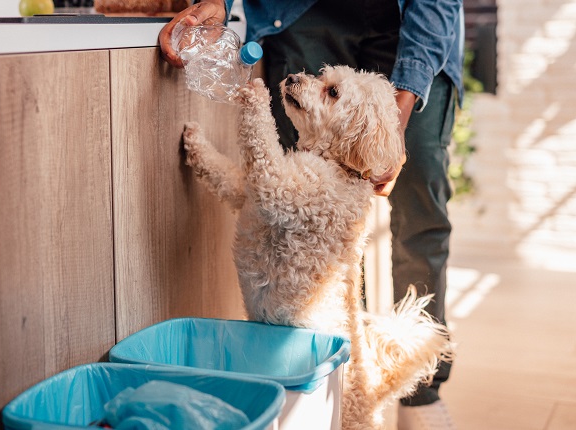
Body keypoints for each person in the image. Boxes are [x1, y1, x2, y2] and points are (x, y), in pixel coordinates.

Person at [160, 1, 464, 428]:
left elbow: (269, 187)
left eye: (330, 90)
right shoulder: (307, 173)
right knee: (301, 207)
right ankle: (325, 379)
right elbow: (259, 192)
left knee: (420, 212)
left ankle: (421, 394)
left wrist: (398, 115)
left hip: (412, 23)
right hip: (304, 13)